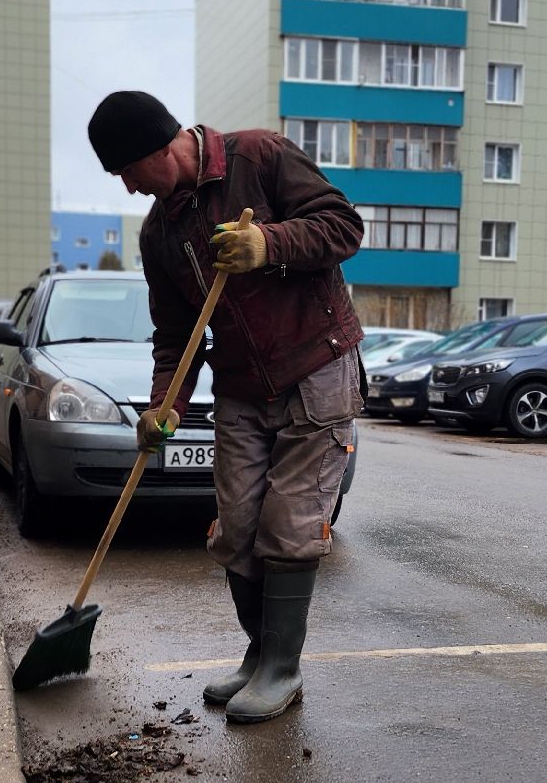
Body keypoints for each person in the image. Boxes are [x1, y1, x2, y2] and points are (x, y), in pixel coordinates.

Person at [87, 90, 364, 725]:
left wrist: (269, 243)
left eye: (128, 172)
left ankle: (281, 669)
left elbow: (344, 227)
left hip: (315, 367)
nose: (129, 189)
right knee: (236, 528)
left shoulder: (259, 157)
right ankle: (258, 653)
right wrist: (165, 407)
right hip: (241, 386)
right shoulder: (160, 232)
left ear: (161, 148)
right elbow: (175, 337)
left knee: (289, 525)